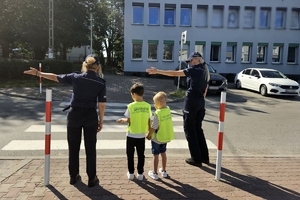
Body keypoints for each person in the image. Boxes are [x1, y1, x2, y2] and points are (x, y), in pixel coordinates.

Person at [23, 54, 106, 187]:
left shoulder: (75, 77)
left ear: (85, 65)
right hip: (90, 116)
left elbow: (55, 77)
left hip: (74, 115)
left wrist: (38, 73)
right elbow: (101, 104)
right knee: (91, 148)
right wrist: (100, 121)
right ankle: (92, 178)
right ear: (98, 67)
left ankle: (73, 176)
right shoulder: (100, 82)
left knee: (73, 147)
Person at [146, 52, 210, 167]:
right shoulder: (205, 70)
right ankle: (204, 157)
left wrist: (158, 71)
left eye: (191, 61)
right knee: (198, 129)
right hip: (200, 102)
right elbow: (206, 87)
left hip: (192, 102)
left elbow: (175, 73)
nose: (189, 63)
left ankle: (196, 158)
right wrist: (201, 100)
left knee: (190, 130)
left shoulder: (194, 70)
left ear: (197, 59)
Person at [116, 83, 151, 181]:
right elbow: (149, 120)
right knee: (141, 155)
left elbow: (128, 120)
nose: (131, 96)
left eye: (131, 94)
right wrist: (149, 132)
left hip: (131, 134)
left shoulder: (131, 106)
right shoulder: (147, 106)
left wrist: (122, 120)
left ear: (134, 94)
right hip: (141, 135)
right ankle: (140, 173)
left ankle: (131, 173)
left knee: (130, 154)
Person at [146, 91, 174, 180]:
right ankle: (164, 171)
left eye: (155, 103)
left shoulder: (157, 113)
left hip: (157, 138)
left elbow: (154, 126)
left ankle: (154, 173)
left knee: (155, 155)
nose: (154, 104)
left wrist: (148, 134)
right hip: (165, 137)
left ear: (159, 103)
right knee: (163, 153)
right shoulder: (168, 110)